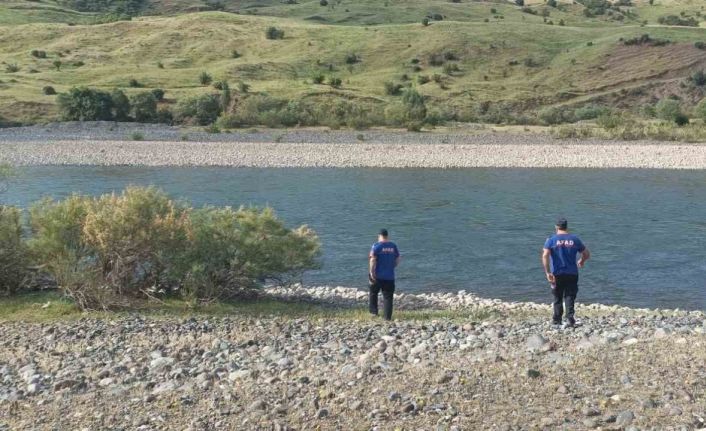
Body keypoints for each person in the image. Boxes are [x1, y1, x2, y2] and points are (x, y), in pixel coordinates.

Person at [541, 218, 590, 328]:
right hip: (572, 273)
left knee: (557, 296)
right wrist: (581, 261)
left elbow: (545, 256)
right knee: (570, 296)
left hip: (557, 273)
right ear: (567, 227)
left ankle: (557, 320)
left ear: (556, 227)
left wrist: (548, 272)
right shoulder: (574, 239)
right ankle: (569, 318)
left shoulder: (551, 240)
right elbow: (586, 253)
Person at [369, 228, 400, 320]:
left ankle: (374, 312)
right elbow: (398, 258)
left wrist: (371, 272)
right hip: (389, 276)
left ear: (379, 236)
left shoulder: (376, 246)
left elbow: (372, 259)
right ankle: (387, 317)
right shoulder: (393, 246)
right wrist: (392, 266)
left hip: (377, 275)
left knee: (373, 293)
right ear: (387, 236)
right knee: (388, 297)